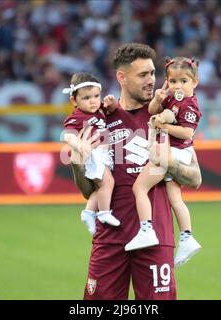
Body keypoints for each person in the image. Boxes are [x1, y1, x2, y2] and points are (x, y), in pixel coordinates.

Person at [69, 43, 202, 300]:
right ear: (121, 77)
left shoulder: (167, 116)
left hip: (156, 238)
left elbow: (195, 178)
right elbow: (89, 191)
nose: (151, 80)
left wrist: (167, 162)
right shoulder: (100, 119)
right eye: (143, 75)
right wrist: (78, 162)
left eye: (152, 73)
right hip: (110, 238)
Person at [126, 57, 202, 268]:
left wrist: (163, 126)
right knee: (174, 198)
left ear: (195, 82)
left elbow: (187, 131)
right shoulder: (172, 99)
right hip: (175, 151)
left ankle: (146, 229)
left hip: (175, 153)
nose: (178, 86)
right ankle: (187, 237)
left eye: (184, 81)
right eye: (173, 81)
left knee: (139, 187)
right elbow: (152, 111)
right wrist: (159, 99)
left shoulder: (189, 104)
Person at [62, 72, 120, 235]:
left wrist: (112, 105)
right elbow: (68, 134)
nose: (93, 101)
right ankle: (103, 213)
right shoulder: (77, 116)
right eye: (87, 98)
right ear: (74, 101)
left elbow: (112, 112)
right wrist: (78, 144)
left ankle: (88, 213)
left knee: (102, 187)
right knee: (107, 182)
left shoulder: (99, 110)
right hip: (93, 154)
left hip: (103, 154)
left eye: (96, 96)